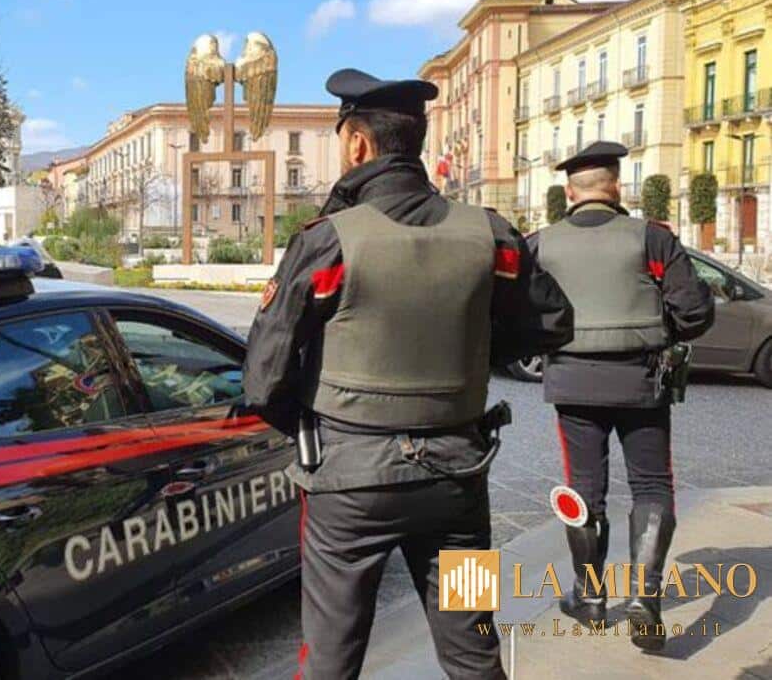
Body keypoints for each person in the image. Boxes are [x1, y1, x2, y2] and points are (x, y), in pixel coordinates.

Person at [243, 68, 574, 680]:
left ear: (357, 145)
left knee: (330, 660)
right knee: (475, 650)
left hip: (348, 492)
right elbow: (552, 325)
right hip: (459, 485)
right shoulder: (492, 234)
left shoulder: (328, 243)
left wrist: (324, 429)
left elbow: (263, 381)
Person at [529, 141, 714, 651]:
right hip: (642, 380)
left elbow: (519, 316)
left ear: (570, 192)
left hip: (571, 383)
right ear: (616, 186)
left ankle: (590, 599)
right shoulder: (651, 238)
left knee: (584, 491)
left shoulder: (541, 244)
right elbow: (695, 311)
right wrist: (661, 332)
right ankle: (645, 598)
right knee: (652, 485)